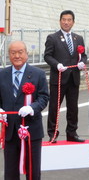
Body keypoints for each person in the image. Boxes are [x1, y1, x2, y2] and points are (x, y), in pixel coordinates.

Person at [0, 41, 49, 180]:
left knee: (33, 171)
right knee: (10, 172)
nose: (17, 56)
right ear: (8, 55)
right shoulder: (2, 74)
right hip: (10, 132)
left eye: (20, 52)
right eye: (13, 52)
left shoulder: (38, 74)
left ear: (26, 53)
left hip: (31, 130)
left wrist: (31, 108)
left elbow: (44, 97)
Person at [44, 10, 87, 142]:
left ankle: (72, 133)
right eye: (64, 19)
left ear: (73, 22)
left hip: (73, 78)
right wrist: (56, 65)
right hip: (58, 79)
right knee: (54, 108)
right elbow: (47, 56)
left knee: (73, 108)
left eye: (69, 20)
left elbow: (83, 55)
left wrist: (82, 62)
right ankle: (52, 133)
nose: (66, 22)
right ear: (60, 21)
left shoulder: (78, 38)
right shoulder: (53, 38)